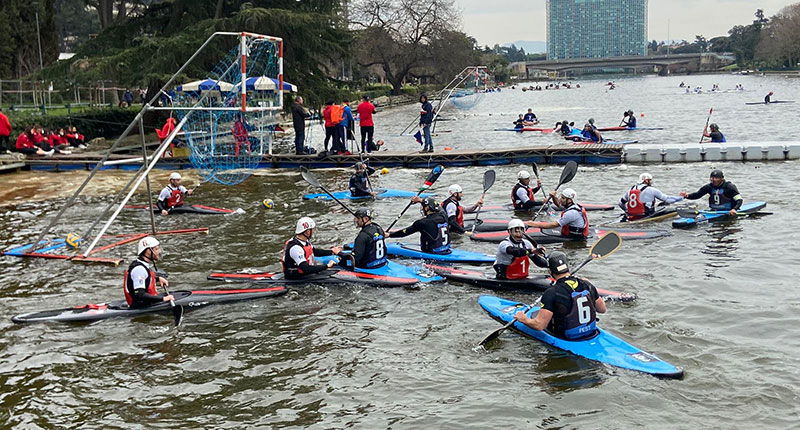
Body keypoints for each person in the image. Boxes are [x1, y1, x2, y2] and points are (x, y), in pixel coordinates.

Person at [514, 251, 606, 340]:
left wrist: (524, 319)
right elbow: (602, 309)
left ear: (550, 271)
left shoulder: (552, 292)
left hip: (566, 337)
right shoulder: (587, 284)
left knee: (539, 317)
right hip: (591, 332)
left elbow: (539, 325)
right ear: (567, 267)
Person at [123, 237, 174, 308]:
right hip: (140, 306)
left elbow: (144, 279)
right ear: (148, 251)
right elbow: (140, 294)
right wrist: (163, 299)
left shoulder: (142, 265)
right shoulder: (139, 269)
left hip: (146, 303)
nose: (159, 252)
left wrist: (157, 278)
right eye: (156, 249)